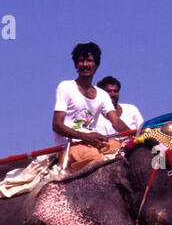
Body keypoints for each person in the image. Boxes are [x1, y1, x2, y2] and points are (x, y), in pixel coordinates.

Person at [51, 43, 129, 172]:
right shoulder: (66, 87)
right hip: (72, 145)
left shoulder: (102, 95)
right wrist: (85, 136)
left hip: (94, 143)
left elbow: (116, 121)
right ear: (76, 64)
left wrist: (135, 136)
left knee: (127, 152)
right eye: (81, 61)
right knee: (99, 163)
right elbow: (57, 125)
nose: (85, 64)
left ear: (97, 65)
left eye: (89, 61)